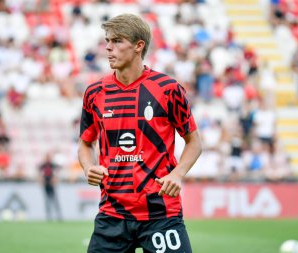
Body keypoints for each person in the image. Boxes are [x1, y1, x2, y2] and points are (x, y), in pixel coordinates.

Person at [78, 14, 202, 253]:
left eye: (117, 41)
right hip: (112, 212)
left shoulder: (168, 89)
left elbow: (193, 142)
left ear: (138, 46)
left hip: (161, 213)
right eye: (107, 40)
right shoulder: (95, 92)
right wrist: (87, 167)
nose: (108, 47)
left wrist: (177, 174)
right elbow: (85, 144)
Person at [38, 152, 63, 221]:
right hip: (46, 184)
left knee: (55, 200)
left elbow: (57, 172)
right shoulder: (42, 165)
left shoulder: (53, 165)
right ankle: (49, 216)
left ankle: (59, 216)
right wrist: (41, 180)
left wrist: (55, 179)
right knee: (47, 201)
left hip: (52, 184)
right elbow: (39, 175)